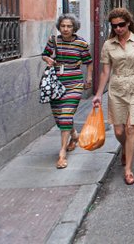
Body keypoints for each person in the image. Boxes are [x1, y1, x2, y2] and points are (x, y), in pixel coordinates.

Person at [92, 8, 134, 185]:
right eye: (115, 26)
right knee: (119, 131)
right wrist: (99, 94)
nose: (118, 29)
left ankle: (128, 168)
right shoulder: (108, 45)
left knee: (131, 128)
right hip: (116, 89)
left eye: (121, 25)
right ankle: (125, 147)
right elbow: (105, 72)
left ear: (128, 23)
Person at [41, 13, 93, 169]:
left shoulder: (81, 43)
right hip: (56, 83)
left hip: (74, 83)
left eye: (69, 26)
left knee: (66, 115)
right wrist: (48, 59)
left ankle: (62, 154)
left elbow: (88, 62)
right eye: (63, 26)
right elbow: (45, 54)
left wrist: (88, 79)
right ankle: (75, 136)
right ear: (59, 27)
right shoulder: (54, 40)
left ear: (74, 27)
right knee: (59, 118)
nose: (65, 29)